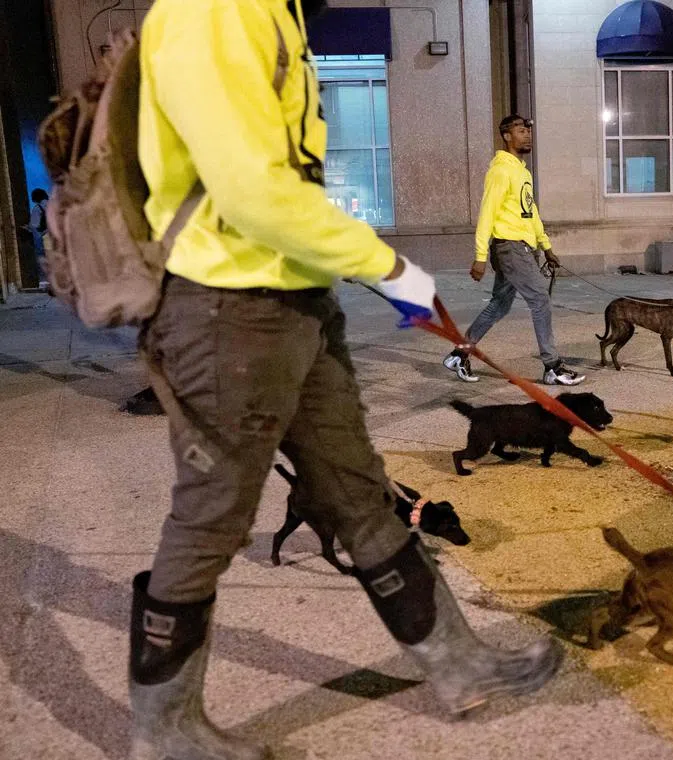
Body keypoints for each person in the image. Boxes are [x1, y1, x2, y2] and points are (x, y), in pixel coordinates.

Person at [131, 1, 562, 757]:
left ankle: (461, 668)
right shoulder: (215, 11)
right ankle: (166, 733)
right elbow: (247, 188)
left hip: (296, 300)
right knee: (212, 518)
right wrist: (390, 269)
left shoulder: (278, 15)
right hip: (226, 310)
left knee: (360, 492)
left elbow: (283, 182)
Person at [443, 114, 584, 385]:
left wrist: (546, 246)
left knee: (499, 305)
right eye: (520, 131)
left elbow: (530, 212)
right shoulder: (500, 170)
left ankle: (459, 355)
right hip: (509, 247)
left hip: (524, 247)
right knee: (540, 298)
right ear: (507, 136)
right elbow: (487, 214)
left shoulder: (522, 171)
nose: (527, 135)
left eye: (527, 131)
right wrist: (480, 257)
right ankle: (552, 367)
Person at [27, 188, 50, 286]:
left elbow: (34, 225)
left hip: (44, 238)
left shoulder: (37, 208)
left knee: (42, 258)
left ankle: (46, 280)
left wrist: (28, 227)